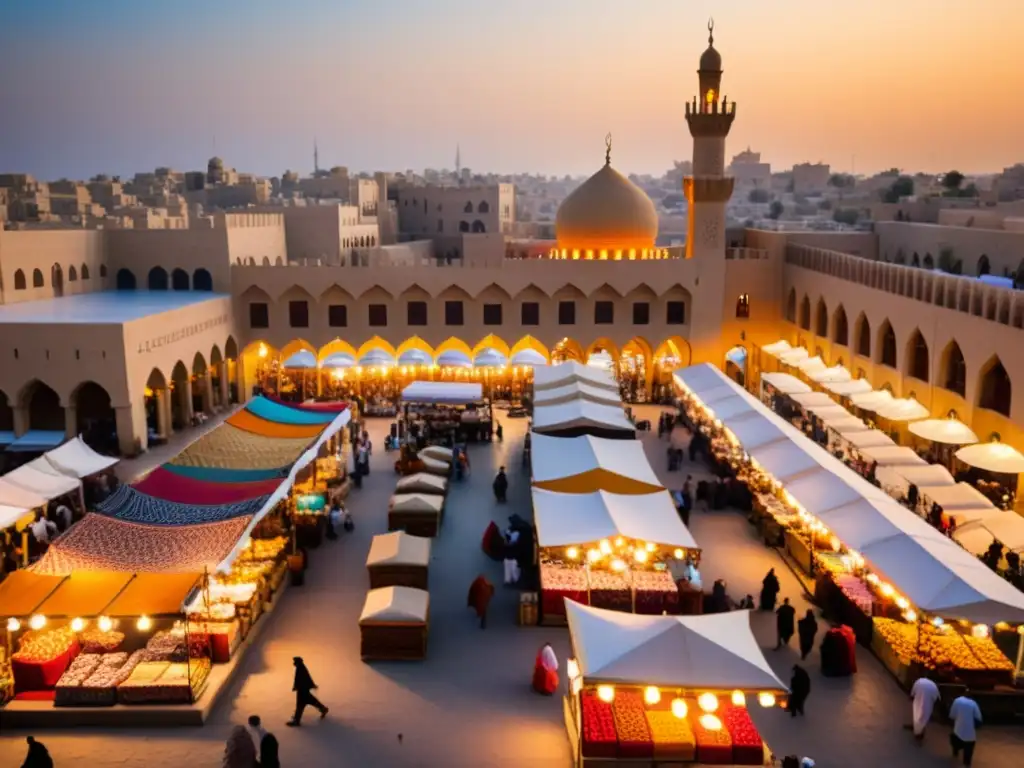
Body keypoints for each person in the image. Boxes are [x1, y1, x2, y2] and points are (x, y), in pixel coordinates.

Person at [287, 656, 328, 726]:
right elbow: (304, 678)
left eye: (294, 661)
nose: (293, 663)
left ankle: (297, 720)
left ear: (297, 662)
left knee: (300, 705)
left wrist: (297, 687)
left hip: (302, 690)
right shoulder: (300, 667)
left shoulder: (300, 668)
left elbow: (303, 678)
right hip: (303, 690)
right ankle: (323, 709)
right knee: (311, 701)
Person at [948, 693, 982, 766]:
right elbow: (979, 718)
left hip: (958, 729)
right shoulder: (974, 704)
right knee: (969, 748)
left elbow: (952, 715)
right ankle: (967, 763)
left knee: (955, 739)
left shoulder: (957, 701)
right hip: (969, 732)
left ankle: (955, 752)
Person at [908, 675, 940, 743]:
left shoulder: (919, 681)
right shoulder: (934, 686)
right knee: (923, 719)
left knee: (916, 715)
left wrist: (911, 696)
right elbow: (936, 698)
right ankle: (919, 733)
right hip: (927, 705)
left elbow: (913, 690)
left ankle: (917, 731)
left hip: (918, 702)